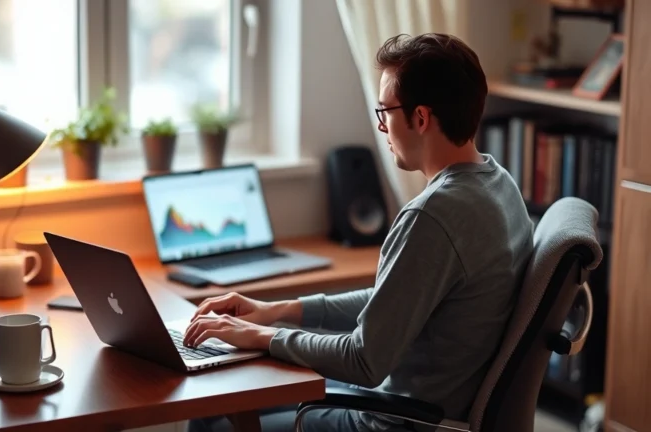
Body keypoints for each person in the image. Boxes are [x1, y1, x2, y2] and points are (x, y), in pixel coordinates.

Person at [184, 32, 534, 432]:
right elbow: (392, 301)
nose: (382, 126)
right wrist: (277, 311)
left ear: (420, 118)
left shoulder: (434, 215)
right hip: (408, 397)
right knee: (221, 397)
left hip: (391, 419)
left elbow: (363, 361)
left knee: (214, 417)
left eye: (384, 111)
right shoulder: (497, 182)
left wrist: (262, 336)